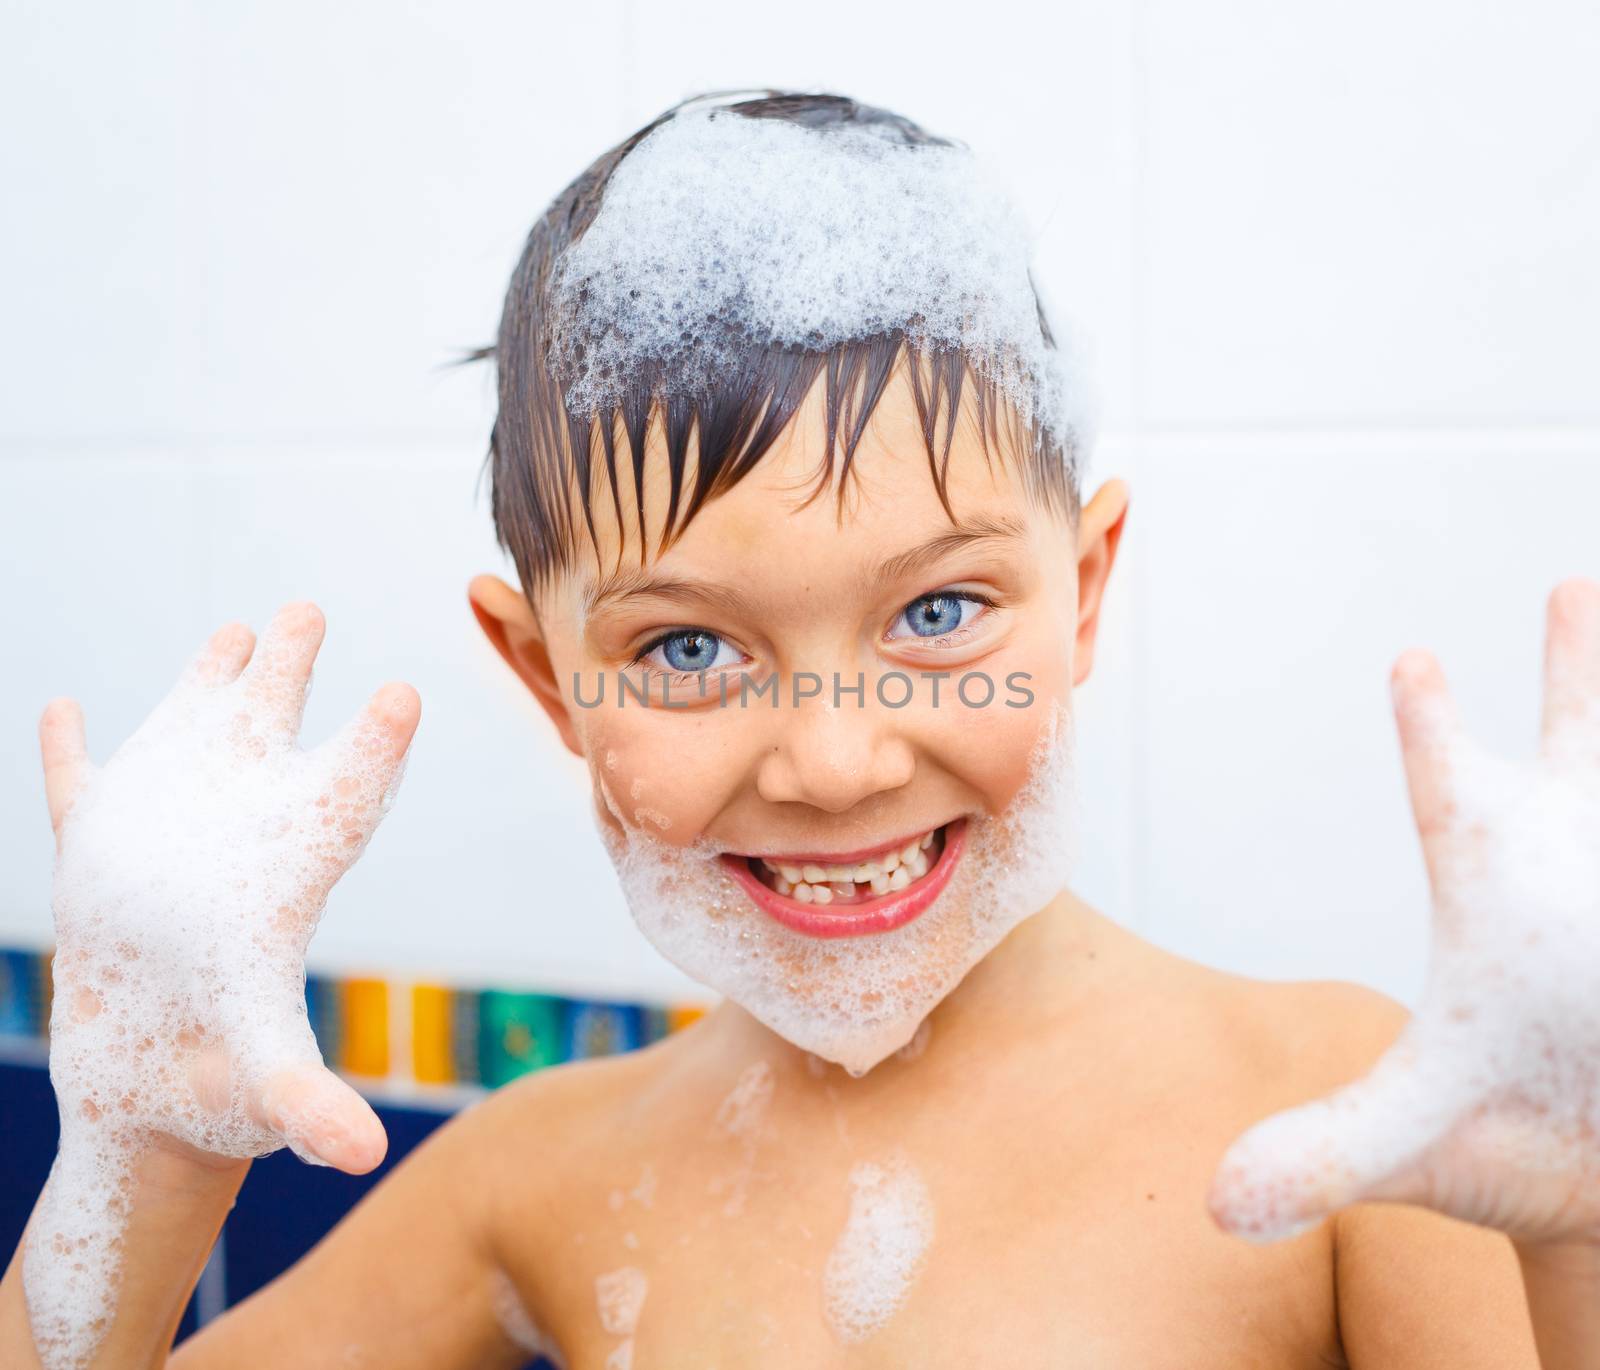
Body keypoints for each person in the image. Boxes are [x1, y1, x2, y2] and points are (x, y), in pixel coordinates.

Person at [5, 90, 1598, 1368]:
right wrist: (132, 1161)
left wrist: (1584, 1238)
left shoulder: (1337, 1115)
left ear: (1088, 588)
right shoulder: (535, 1174)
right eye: (689, 644)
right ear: (551, 682)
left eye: (938, 611)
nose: (837, 762)